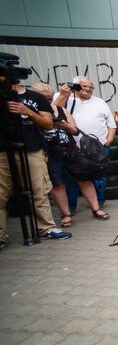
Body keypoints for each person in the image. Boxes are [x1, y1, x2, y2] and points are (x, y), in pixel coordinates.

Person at [0, 81, 71, 248]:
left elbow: (47, 124)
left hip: (31, 148)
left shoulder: (35, 97)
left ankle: (46, 227)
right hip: (2, 150)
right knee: (1, 194)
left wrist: (27, 112)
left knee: (39, 190)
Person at [53, 76, 115, 218]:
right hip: (70, 147)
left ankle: (98, 204)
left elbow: (111, 124)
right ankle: (70, 208)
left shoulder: (99, 102)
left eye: (91, 87)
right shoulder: (62, 97)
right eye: (84, 86)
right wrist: (64, 94)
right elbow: (53, 112)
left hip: (95, 147)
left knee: (97, 177)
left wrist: (109, 140)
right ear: (75, 85)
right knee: (71, 180)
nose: (88, 89)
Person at [30, 83, 79, 228]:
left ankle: (95, 207)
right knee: (58, 183)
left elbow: (75, 130)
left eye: (50, 98)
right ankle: (66, 214)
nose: (48, 101)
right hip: (48, 151)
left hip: (68, 148)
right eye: (44, 98)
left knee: (82, 178)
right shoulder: (30, 112)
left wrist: (64, 125)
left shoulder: (59, 109)